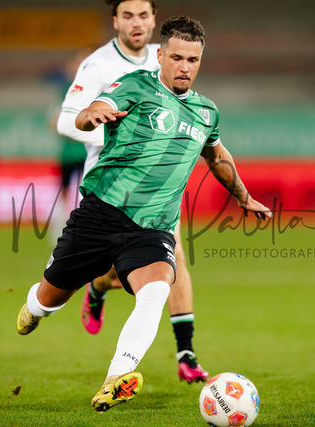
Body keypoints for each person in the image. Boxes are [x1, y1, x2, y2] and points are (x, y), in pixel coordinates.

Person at [16, 16, 272, 412]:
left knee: (155, 291)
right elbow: (92, 110)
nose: (185, 67)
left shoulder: (206, 112)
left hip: (153, 228)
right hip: (100, 215)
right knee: (48, 299)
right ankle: (35, 308)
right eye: (177, 58)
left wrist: (244, 197)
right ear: (161, 56)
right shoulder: (136, 85)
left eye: (193, 60)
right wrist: (91, 115)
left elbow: (217, 156)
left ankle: (116, 378)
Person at [56, 0, 208, 383]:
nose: (136, 23)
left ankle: (186, 354)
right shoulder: (98, 65)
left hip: (157, 186)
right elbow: (66, 121)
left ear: (154, 20)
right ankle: (98, 287)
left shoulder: (167, 58)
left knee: (175, 259)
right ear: (115, 21)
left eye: (143, 15)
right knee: (112, 271)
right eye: (128, 15)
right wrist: (116, 133)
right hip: (110, 186)